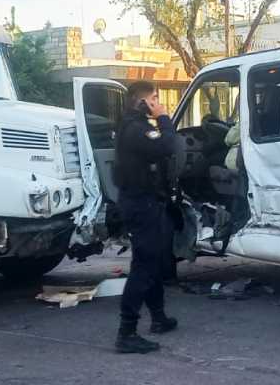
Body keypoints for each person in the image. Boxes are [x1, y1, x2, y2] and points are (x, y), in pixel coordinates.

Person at [114, 81, 179, 354]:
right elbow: (168, 146)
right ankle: (126, 332)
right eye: (154, 98)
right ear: (143, 103)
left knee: (155, 262)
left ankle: (159, 318)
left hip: (148, 202)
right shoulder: (136, 129)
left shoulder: (136, 126)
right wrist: (163, 117)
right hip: (141, 205)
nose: (157, 102)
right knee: (144, 265)